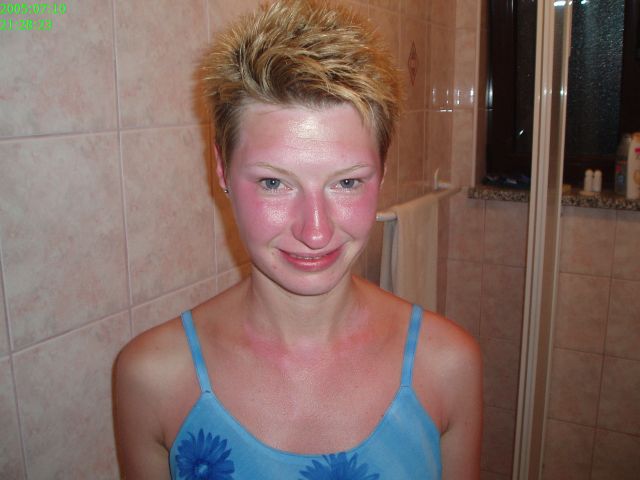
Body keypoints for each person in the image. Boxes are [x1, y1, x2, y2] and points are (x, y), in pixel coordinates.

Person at [114, 1, 482, 478]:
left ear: (382, 173)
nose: (315, 232)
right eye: (274, 183)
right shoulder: (153, 379)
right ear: (221, 170)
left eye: (347, 182)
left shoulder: (448, 366)